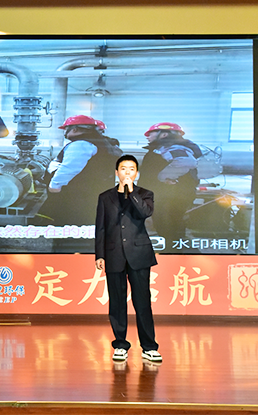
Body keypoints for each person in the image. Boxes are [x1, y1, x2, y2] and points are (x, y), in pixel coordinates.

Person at [96, 154, 161, 364]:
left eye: (131, 169)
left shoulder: (145, 194)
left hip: (139, 255)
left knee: (142, 302)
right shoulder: (105, 197)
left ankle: (149, 347)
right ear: (117, 172)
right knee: (116, 302)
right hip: (113, 254)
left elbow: (144, 213)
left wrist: (131, 191)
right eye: (123, 169)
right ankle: (120, 345)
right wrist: (100, 254)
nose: (127, 172)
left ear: (136, 173)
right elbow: (101, 228)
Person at [37, 115, 123, 232]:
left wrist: (55, 185)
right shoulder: (102, 143)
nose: (65, 133)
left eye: (66, 129)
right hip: (91, 194)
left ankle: (69, 243)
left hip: (76, 196)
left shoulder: (81, 144)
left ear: (75, 129)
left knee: (71, 226)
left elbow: (69, 168)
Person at [138, 122, 202, 251]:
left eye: (151, 134)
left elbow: (185, 161)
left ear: (164, 134)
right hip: (169, 196)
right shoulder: (167, 146)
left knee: (168, 227)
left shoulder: (171, 147)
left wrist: (165, 177)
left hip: (169, 197)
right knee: (172, 225)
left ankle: (172, 252)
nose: (147, 137)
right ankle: (174, 249)